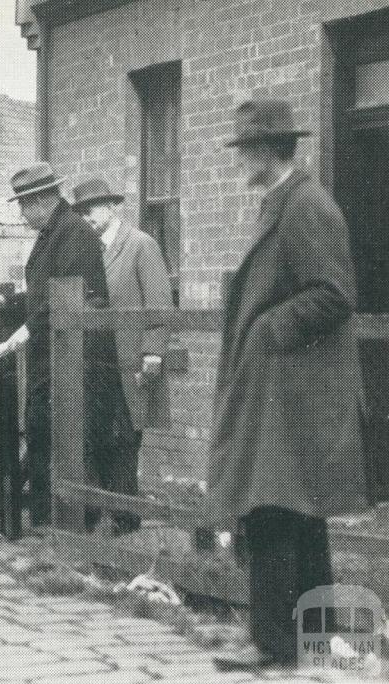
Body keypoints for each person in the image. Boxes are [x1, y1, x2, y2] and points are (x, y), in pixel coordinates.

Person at [208, 100, 369, 672]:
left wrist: (269, 330)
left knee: (273, 507)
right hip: (284, 389)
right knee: (298, 511)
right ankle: (315, 635)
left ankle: (272, 641)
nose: (239, 159)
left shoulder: (305, 205)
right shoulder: (282, 201)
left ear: (272, 150)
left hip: (295, 390)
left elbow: (334, 293)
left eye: (247, 148)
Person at [0, 163, 120, 528]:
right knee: (41, 434)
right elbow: (45, 295)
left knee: (74, 442)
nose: (22, 214)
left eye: (24, 205)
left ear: (41, 200)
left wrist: (28, 327)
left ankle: (76, 531)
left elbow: (71, 298)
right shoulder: (50, 236)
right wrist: (8, 304)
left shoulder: (75, 236)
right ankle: (45, 524)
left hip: (78, 361)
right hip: (52, 357)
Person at [72, 178, 174, 535]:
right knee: (98, 443)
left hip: (131, 363)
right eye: (80, 211)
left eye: (92, 208)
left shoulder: (140, 245)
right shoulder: (88, 251)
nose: (86, 216)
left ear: (113, 206)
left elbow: (160, 303)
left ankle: (128, 524)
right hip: (97, 367)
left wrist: (153, 353)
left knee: (126, 443)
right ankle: (104, 525)